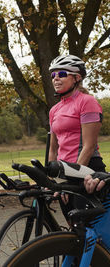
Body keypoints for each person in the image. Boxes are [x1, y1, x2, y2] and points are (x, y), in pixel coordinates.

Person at [48, 55, 106, 214]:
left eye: (61, 74)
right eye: (53, 75)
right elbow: (53, 150)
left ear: (76, 78)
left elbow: (89, 146)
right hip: (64, 172)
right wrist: (53, 179)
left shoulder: (87, 102)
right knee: (73, 231)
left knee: (90, 230)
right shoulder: (54, 110)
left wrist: (73, 178)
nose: (56, 79)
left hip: (87, 170)